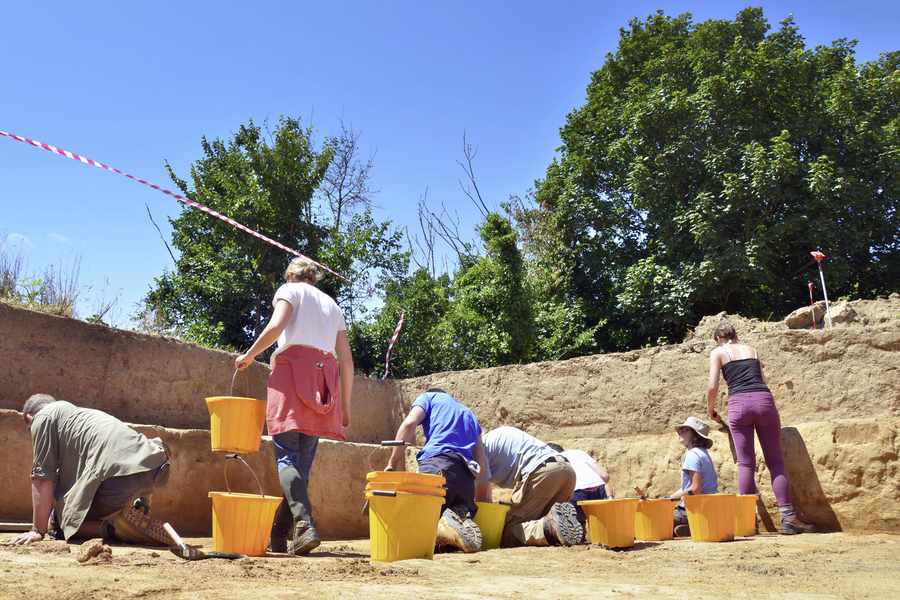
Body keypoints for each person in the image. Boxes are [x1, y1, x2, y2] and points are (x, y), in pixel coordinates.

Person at [235, 257, 354, 555]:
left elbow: (277, 326)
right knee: (300, 466)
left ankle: (304, 524)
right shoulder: (333, 305)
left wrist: (249, 356)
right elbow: (347, 360)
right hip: (323, 381)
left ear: (290, 276)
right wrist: (345, 405)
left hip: (291, 373)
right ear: (313, 278)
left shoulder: (290, 291)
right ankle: (279, 536)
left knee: (287, 458)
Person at [9, 394, 171, 546]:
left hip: (116, 478)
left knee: (62, 524)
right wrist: (144, 502)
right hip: (156, 464)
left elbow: (42, 477)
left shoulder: (42, 418)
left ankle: (117, 528)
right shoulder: (80, 416)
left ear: (30, 417)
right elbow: (129, 454)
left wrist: (38, 529)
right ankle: (136, 515)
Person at [706, 321, 814, 535]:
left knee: (746, 463)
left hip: (739, 404)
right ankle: (788, 518)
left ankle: (746, 522)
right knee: (775, 462)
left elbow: (712, 386)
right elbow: (763, 380)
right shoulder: (752, 350)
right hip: (764, 401)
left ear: (718, 338)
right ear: (735, 335)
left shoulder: (718, 352)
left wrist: (710, 410)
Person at [385, 388, 487, 553]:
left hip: (438, 466)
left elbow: (409, 424)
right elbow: (481, 461)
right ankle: (453, 524)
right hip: (466, 478)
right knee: (442, 541)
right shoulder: (469, 413)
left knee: (420, 527)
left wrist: (391, 462)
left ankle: (444, 526)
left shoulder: (429, 397)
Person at [477, 426, 583, 547]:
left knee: (507, 529)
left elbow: (483, 497)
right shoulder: (502, 434)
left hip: (542, 471)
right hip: (567, 470)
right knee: (544, 517)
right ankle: (563, 529)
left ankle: (549, 528)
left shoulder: (480, 448)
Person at [668, 417, 719, 537]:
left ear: (695, 435)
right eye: (680, 429)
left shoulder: (692, 455)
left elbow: (695, 489)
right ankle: (694, 526)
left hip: (694, 509)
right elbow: (689, 487)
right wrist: (669, 499)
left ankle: (694, 525)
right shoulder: (702, 453)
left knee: (657, 520)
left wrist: (670, 500)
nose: (680, 432)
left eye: (685, 430)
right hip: (708, 508)